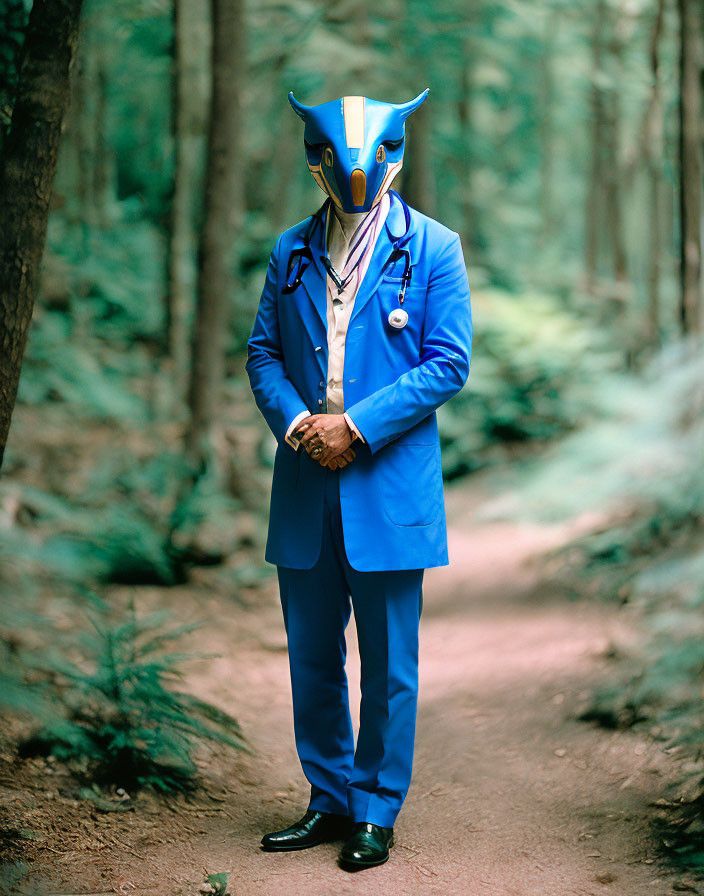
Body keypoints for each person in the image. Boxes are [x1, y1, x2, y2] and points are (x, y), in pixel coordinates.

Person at [245, 89, 473, 871]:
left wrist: (360, 425)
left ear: (394, 154)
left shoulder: (434, 248)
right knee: (312, 655)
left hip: (388, 485)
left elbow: (450, 362)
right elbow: (262, 353)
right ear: (312, 159)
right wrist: (299, 423)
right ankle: (328, 798)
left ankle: (376, 809)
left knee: (388, 663)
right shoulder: (289, 250)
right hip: (306, 480)